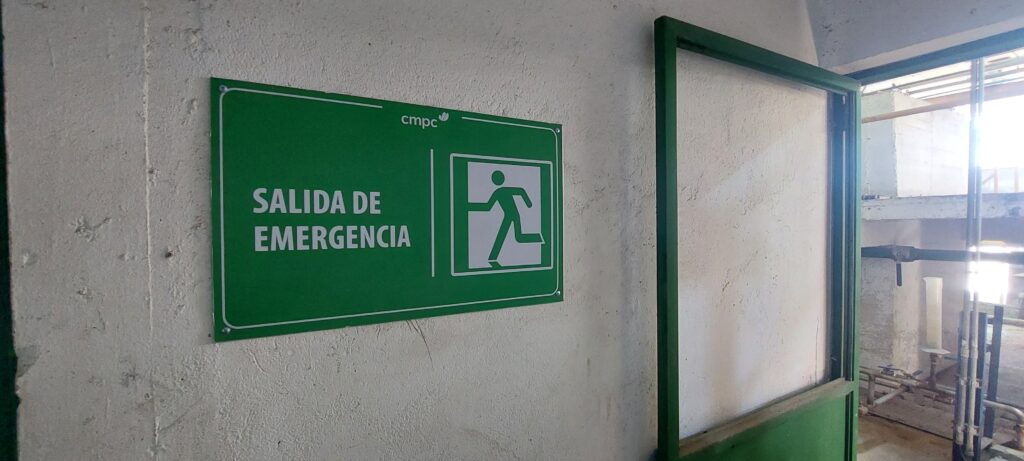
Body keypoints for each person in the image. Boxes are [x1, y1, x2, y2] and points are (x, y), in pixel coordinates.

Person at [468, 170, 543, 267]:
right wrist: (469, 207)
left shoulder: (500, 191)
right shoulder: (498, 192)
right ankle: (493, 257)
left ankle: (539, 238)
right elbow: (488, 206)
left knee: (517, 237)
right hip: (509, 216)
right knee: (516, 236)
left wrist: (528, 203)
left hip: (514, 215)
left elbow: (520, 191)